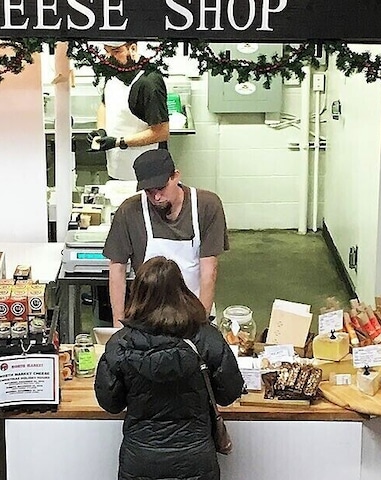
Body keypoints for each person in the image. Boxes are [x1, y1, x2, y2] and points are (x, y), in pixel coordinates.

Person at [95, 257, 246, 480]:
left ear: (138, 293)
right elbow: (229, 393)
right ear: (182, 292)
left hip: (141, 460)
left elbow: (111, 403)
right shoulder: (207, 338)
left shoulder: (121, 343)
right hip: (195, 461)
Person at [103, 149, 228, 326]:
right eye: (149, 191)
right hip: (146, 316)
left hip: (194, 310)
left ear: (175, 176)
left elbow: (209, 270)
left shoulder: (206, 206)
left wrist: (202, 323)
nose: (157, 197)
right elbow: (117, 267)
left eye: (161, 188)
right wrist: (118, 325)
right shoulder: (130, 211)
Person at [84, 41, 173, 181]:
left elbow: (161, 132)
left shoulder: (149, 82)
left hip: (148, 173)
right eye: (106, 51)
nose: (109, 58)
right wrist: (101, 130)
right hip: (117, 167)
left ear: (133, 49)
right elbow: (105, 104)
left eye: (116, 51)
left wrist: (119, 142)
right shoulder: (112, 75)